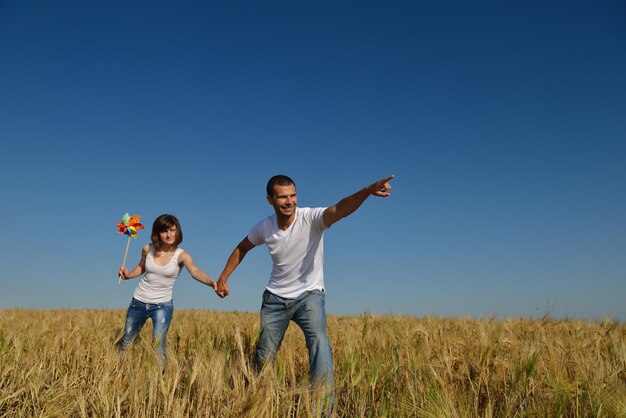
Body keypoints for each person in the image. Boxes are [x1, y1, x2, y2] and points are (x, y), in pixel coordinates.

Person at [215, 174, 395, 396]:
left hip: (310, 295)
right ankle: (259, 401)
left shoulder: (311, 218)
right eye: (282, 197)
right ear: (269, 200)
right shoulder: (264, 227)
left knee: (319, 343)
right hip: (274, 299)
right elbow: (242, 248)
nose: (289, 201)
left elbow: (340, 209)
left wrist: (367, 190)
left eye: (293, 195)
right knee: (264, 353)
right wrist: (223, 277)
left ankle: (322, 407)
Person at [118, 214, 217, 364]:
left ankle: (160, 381)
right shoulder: (147, 248)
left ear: (177, 231)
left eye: (172, 230)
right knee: (127, 343)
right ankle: (121, 376)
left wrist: (212, 282)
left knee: (158, 346)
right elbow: (141, 267)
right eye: (165, 231)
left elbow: (195, 271)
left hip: (162, 306)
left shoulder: (181, 255)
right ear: (157, 233)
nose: (169, 234)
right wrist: (129, 275)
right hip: (138, 302)